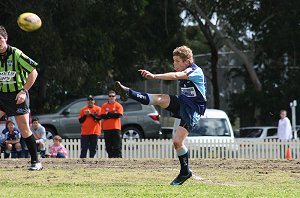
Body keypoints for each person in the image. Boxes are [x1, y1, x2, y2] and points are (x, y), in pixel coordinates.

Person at [115, 45, 207, 185]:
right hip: (183, 102)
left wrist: (154, 76)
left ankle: (185, 172)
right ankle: (128, 92)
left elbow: (176, 76)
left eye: (177, 61)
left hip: (193, 110)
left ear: (187, 62)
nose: (174, 64)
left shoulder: (196, 71)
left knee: (177, 142)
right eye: (174, 60)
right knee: (160, 99)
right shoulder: (186, 68)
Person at [0, 26, 42, 170]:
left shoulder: (16, 53)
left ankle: (36, 162)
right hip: (1, 95)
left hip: (17, 95)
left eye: (0, 39)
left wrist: (24, 91)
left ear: (5, 39)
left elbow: (33, 72)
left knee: (24, 129)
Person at [100, 90, 123, 158]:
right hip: (107, 128)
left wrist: (109, 114)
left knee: (117, 146)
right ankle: (111, 158)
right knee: (108, 146)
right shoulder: (104, 105)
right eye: (110, 96)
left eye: (113, 96)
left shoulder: (118, 105)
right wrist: (113, 114)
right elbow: (103, 116)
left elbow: (119, 115)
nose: (111, 97)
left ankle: (118, 159)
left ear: (115, 97)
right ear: (108, 97)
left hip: (116, 128)